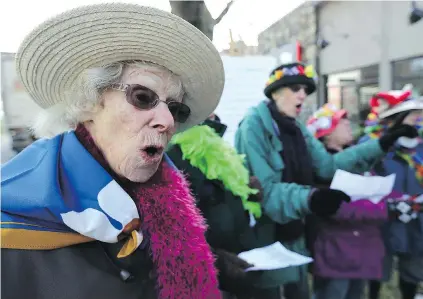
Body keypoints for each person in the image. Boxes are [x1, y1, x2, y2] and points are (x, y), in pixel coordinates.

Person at [1, 4, 225, 299]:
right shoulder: (12, 227)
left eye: (175, 108)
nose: (168, 121)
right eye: (144, 97)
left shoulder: (172, 200)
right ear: (89, 100)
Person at [234, 62, 418, 299]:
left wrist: (382, 144)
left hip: (296, 236)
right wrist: (312, 197)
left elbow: (328, 166)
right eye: (296, 88)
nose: (303, 94)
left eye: (306, 90)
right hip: (266, 238)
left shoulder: (297, 128)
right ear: (275, 92)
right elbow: (265, 191)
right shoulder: (253, 126)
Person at [167, 114, 294, 298]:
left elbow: (224, 199)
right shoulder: (173, 153)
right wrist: (215, 259)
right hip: (210, 275)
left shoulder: (215, 142)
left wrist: (245, 191)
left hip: (241, 263)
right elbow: (173, 229)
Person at [306, 104, 390, 299]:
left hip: (362, 250)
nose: (347, 124)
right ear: (326, 134)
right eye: (340, 122)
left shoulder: (359, 161)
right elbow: (337, 210)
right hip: (336, 253)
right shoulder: (321, 168)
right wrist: (375, 208)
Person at [361, 88, 423, 299]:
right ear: (397, 118)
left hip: (416, 221)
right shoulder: (372, 144)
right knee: (377, 267)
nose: (418, 118)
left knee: (413, 266)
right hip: (382, 221)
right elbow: (362, 178)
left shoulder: (420, 144)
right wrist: (391, 203)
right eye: (413, 114)